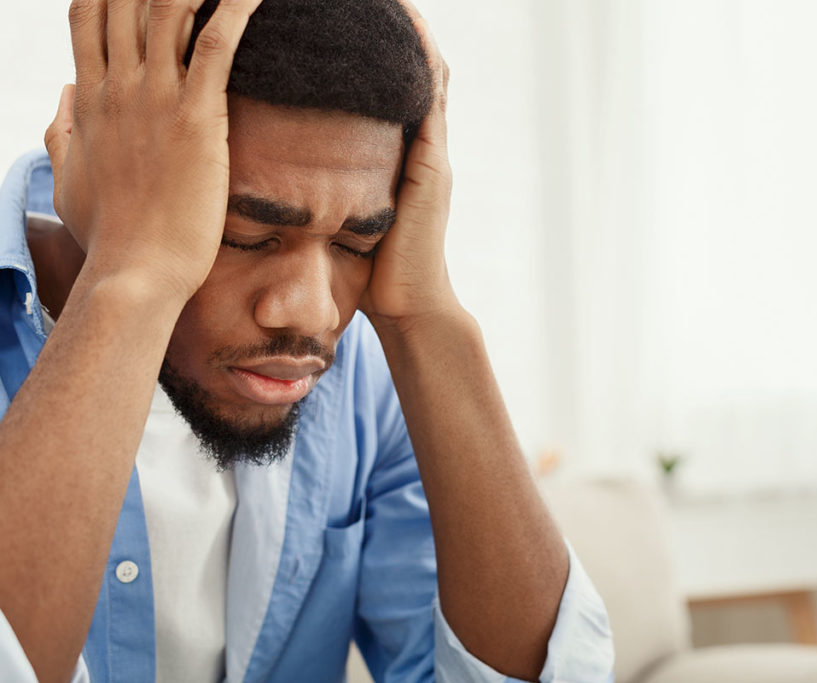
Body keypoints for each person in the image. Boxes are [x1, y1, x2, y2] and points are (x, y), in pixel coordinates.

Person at [0, 0, 614, 681]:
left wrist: (428, 318)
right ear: (117, 161)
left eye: (358, 243)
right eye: (247, 235)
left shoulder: (365, 381)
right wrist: (130, 278)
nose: (312, 312)